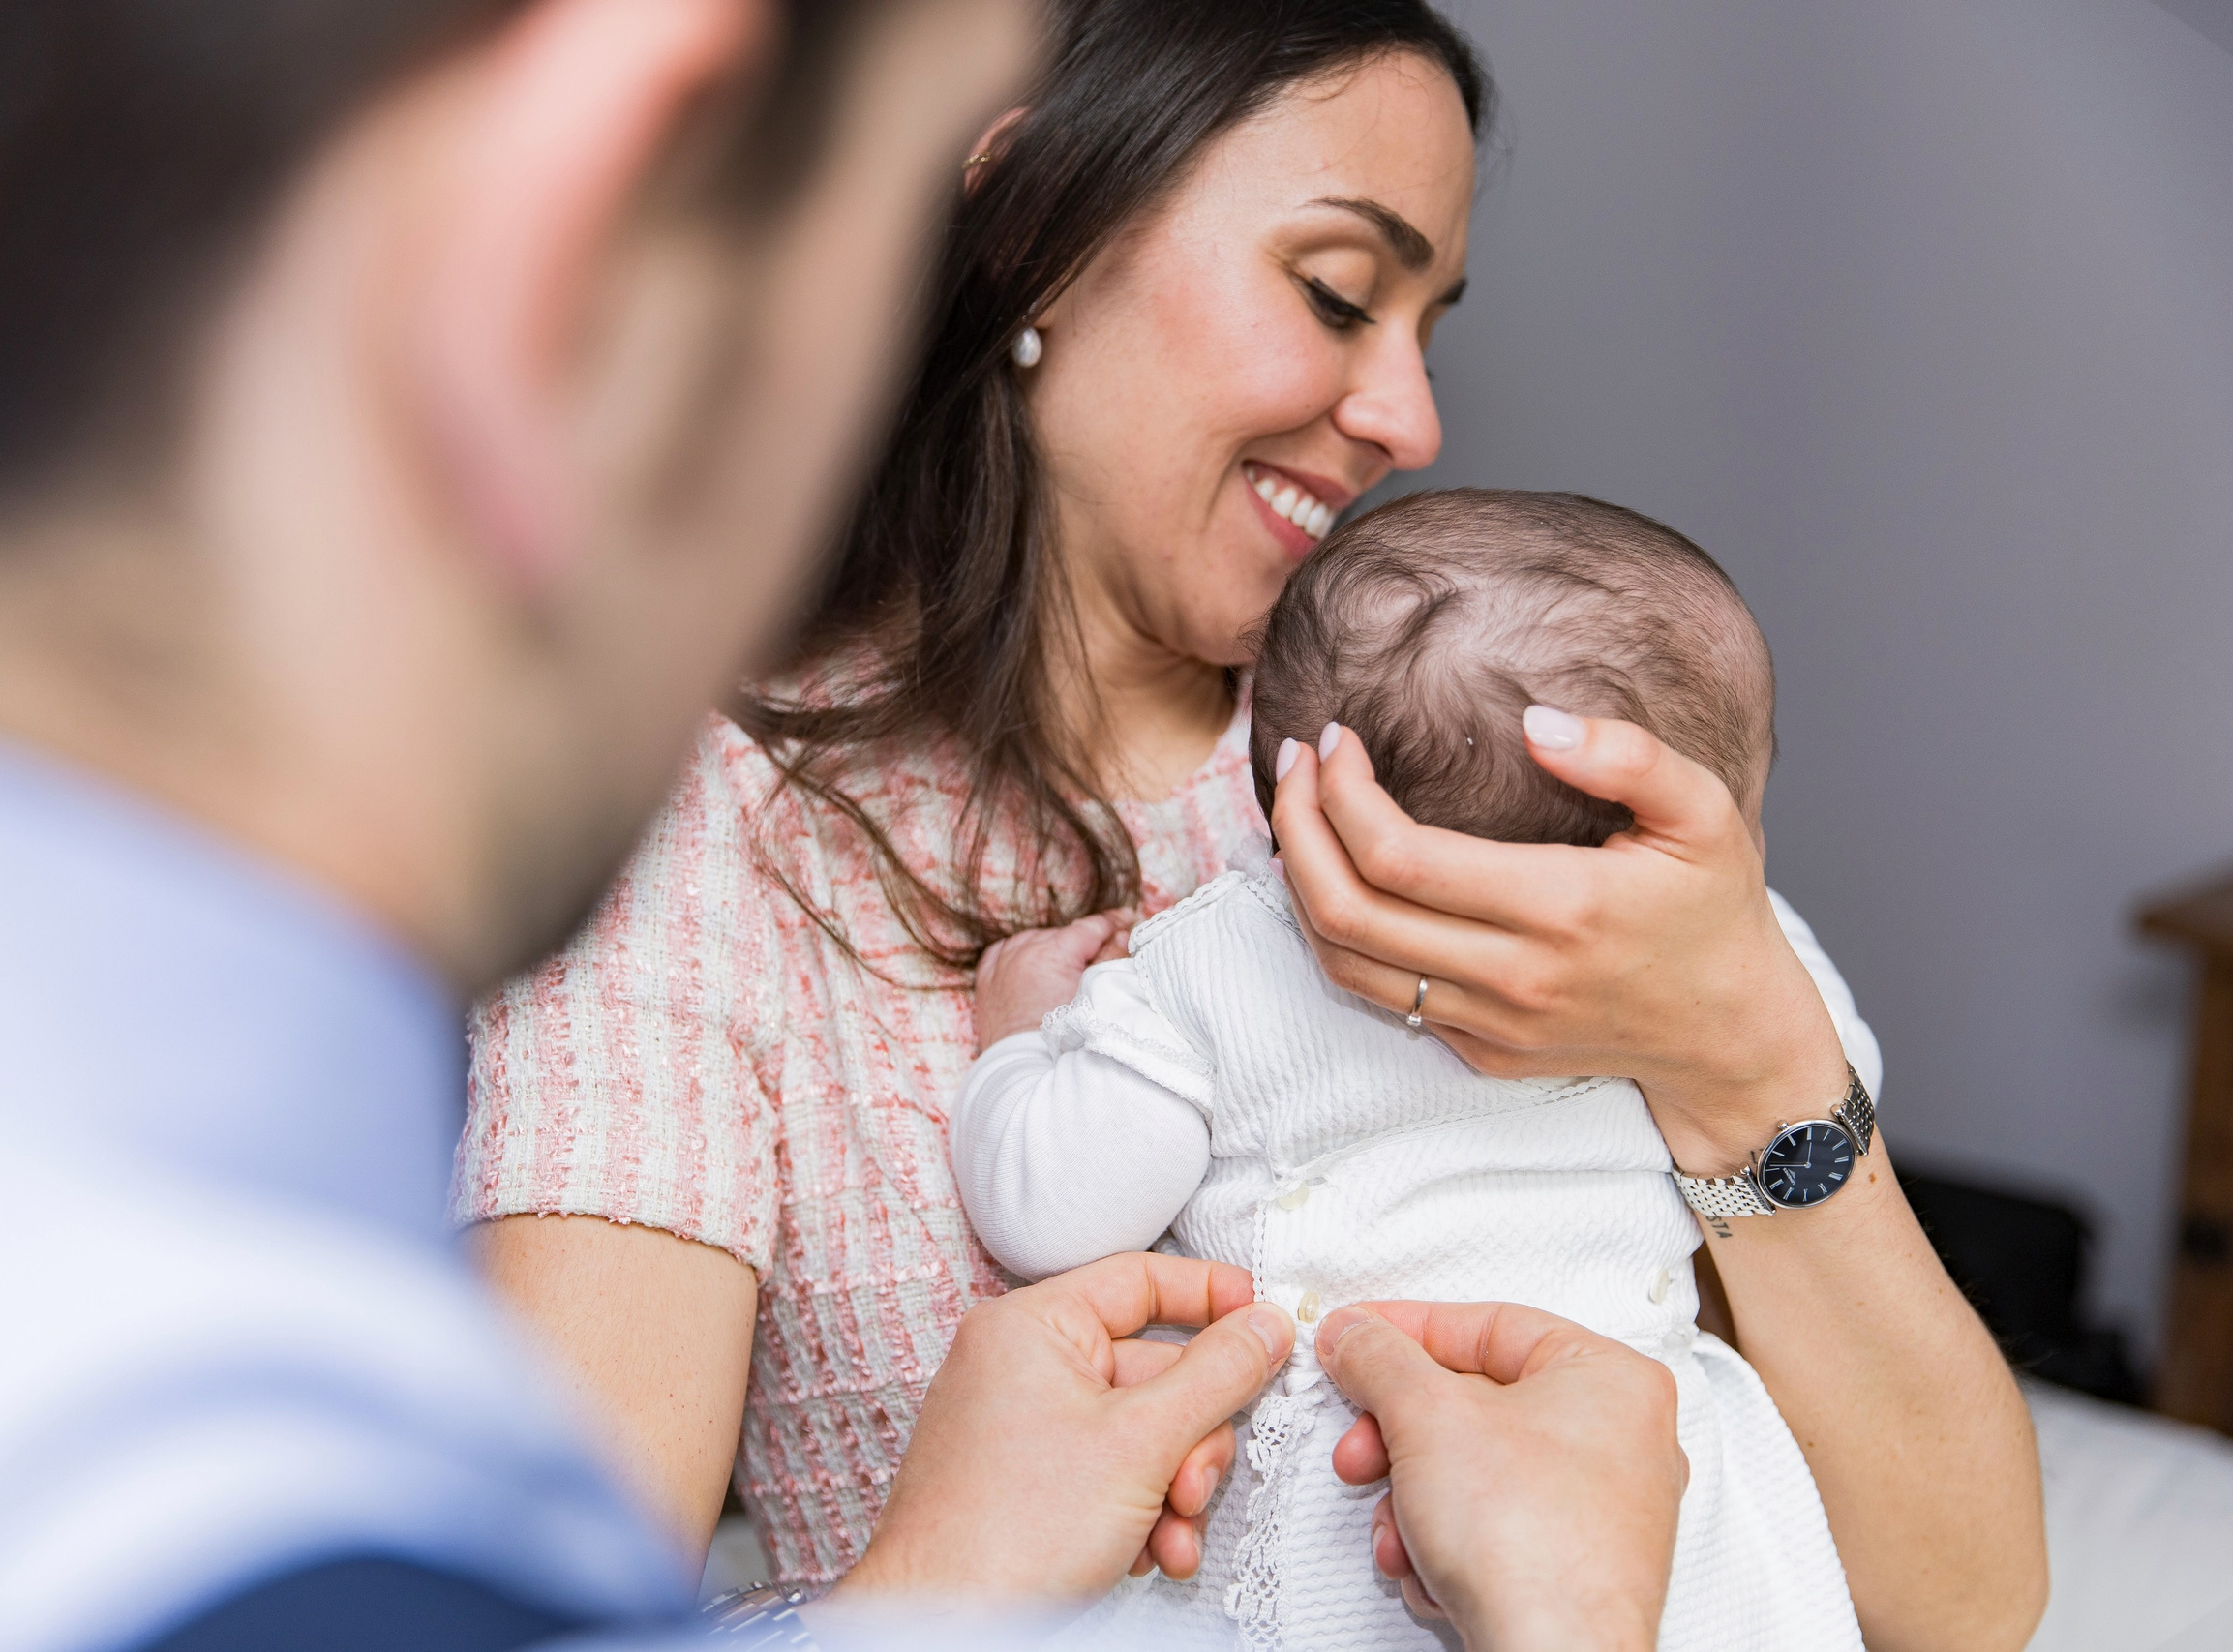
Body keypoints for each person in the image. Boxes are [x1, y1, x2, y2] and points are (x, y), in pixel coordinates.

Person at [0, 1, 1710, 1650]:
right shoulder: (235, 1493)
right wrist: (940, 1583)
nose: (1406, 423)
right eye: (881, 267)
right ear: (568, 236)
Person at [462, 4, 2048, 1648]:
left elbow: (1965, 1606)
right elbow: (539, 1625)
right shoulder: (699, 830)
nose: (1412, 419)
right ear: (1031, 235)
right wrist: (938, 1582)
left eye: (1426, 326)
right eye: (1340, 292)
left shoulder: (1483, 778)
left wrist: (1744, 1047)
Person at [957, 490, 1868, 1649]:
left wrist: (1018, 1049)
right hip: (1648, 1509)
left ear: (1290, 799)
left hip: (1326, 1513)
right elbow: (1846, 1085)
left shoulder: (1216, 963)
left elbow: (1054, 1214)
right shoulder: (1740, 965)